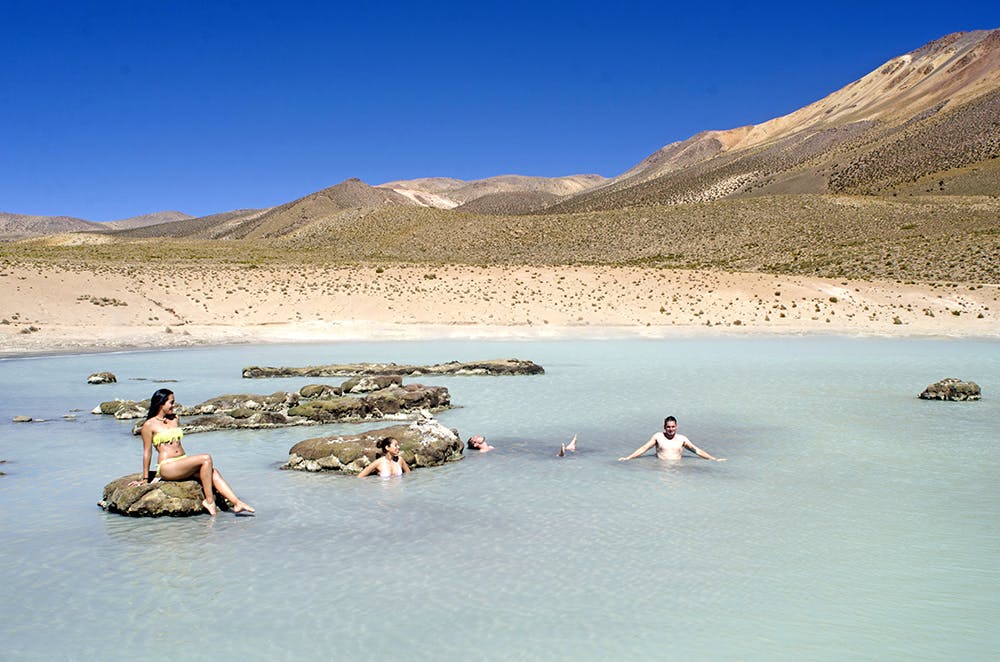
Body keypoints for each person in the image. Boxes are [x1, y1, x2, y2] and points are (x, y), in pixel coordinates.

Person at [128, 388, 255, 515]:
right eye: (171, 403)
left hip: (182, 461)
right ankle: (209, 500)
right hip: (168, 466)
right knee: (206, 458)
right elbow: (147, 452)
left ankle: (237, 503)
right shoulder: (149, 425)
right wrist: (145, 478)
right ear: (161, 403)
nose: (174, 405)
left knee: (213, 472)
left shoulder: (174, 419)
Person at [618, 416, 726, 462]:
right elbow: (644, 448)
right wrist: (628, 458)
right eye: (668, 427)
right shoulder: (658, 437)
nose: (671, 429)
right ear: (664, 427)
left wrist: (713, 459)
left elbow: (697, 451)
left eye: (673, 426)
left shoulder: (682, 439)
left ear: (676, 427)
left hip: (677, 468)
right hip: (661, 468)